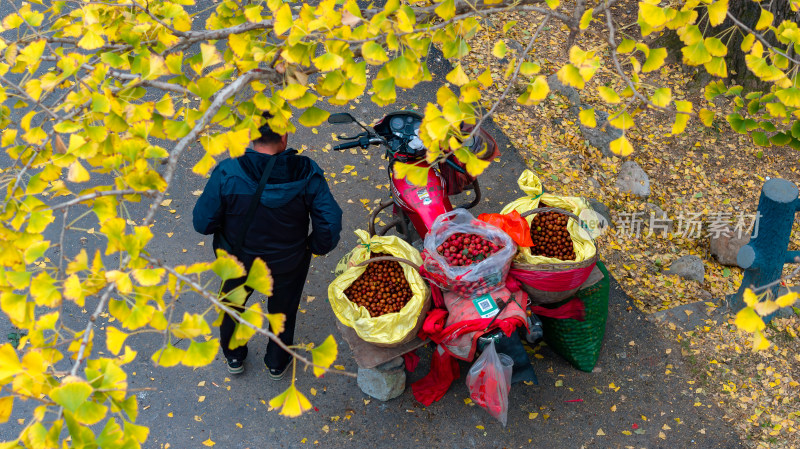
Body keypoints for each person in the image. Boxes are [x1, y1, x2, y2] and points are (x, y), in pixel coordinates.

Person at [193, 112, 343, 379]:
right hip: (288, 262)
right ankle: (276, 362)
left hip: (238, 261)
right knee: (283, 310)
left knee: (232, 306)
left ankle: (234, 356)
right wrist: (313, 246)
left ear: (250, 136)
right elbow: (329, 223)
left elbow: (202, 223)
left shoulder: (228, 172)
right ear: (284, 136)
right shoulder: (307, 173)